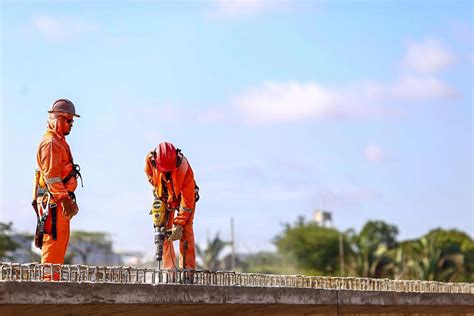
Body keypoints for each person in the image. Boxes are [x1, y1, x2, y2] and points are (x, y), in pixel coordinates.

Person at [33, 99, 81, 276]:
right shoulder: (51, 143)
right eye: (68, 120)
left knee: (58, 247)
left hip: (58, 203)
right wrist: (65, 200)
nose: (71, 124)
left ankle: (52, 284)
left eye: (72, 121)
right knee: (53, 247)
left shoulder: (58, 141)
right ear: (57, 119)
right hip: (55, 204)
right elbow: (52, 177)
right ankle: (48, 289)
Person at [145, 142, 198, 269]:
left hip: (184, 198)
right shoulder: (150, 160)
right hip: (164, 195)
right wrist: (158, 189)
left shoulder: (184, 170)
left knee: (186, 232)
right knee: (163, 230)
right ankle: (169, 271)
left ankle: (188, 272)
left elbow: (187, 203)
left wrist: (179, 225)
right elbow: (149, 174)